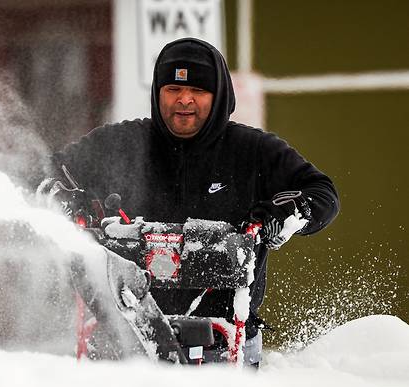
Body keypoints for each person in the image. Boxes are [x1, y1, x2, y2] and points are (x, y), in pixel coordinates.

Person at [45, 37, 339, 362]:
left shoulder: (252, 151)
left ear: (219, 96)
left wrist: (285, 213)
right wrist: (65, 197)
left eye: (198, 91)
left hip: (226, 344)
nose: (184, 99)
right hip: (122, 346)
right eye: (173, 89)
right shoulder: (120, 144)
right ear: (158, 93)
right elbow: (46, 170)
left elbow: (321, 193)